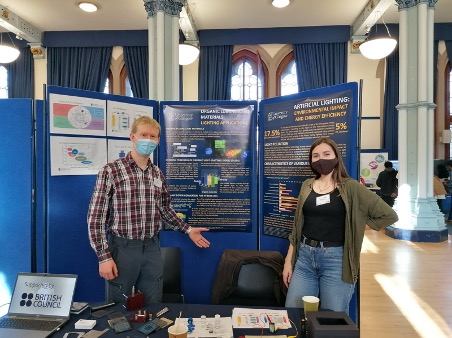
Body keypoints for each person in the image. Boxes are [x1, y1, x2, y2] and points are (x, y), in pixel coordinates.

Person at [87, 116, 210, 305]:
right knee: (119, 306)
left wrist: (188, 230)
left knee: (153, 303)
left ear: (158, 141)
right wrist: (103, 257)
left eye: (153, 136)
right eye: (143, 135)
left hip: (152, 248)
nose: (148, 140)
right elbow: (96, 218)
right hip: (122, 248)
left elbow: (165, 209)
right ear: (132, 137)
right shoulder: (111, 171)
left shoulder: (157, 173)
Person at [282, 137, 398, 314]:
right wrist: (288, 262)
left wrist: (356, 226)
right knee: (294, 313)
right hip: (304, 258)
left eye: (326, 154)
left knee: (332, 318)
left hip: (336, 261)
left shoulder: (350, 187)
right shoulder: (307, 185)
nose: (321, 159)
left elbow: (389, 215)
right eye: (315, 156)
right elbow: (297, 228)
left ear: (336, 157)